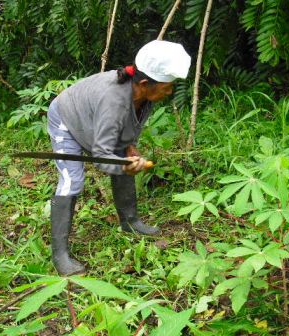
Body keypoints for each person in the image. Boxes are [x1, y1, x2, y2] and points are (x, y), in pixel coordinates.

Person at [47, 40, 191, 276]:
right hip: (67, 118)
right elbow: (102, 157)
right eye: (167, 86)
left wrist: (129, 149)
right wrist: (127, 167)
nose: (170, 91)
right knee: (72, 180)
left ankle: (130, 221)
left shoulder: (143, 95)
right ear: (145, 84)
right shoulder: (113, 102)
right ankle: (60, 254)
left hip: (94, 118)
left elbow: (127, 131)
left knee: (124, 154)